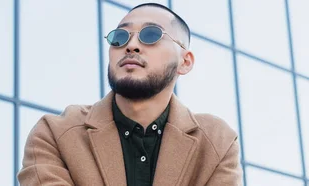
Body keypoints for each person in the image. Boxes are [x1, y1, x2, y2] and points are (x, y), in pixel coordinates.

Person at [17, 3, 242, 186]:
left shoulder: (217, 142)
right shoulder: (55, 133)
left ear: (185, 61)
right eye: (120, 37)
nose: (131, 45)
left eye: (151, 34)